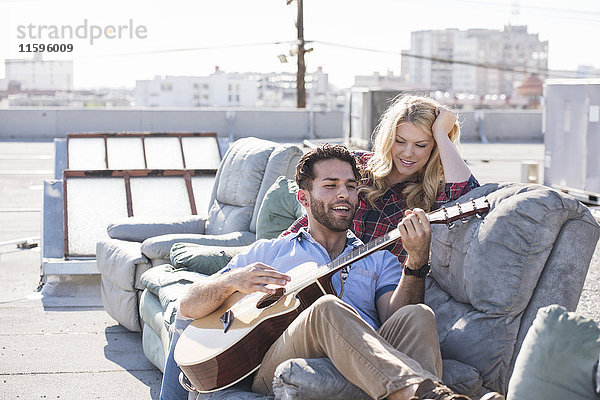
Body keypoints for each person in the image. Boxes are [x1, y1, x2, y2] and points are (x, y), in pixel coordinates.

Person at [159, 145, 502, 400]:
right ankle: (433, 396)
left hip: (364, 355)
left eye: (351, 186)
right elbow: (188, 307)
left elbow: (395, 318)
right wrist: (233, 281)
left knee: (420, 315)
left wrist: (416, 261)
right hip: (270, 359)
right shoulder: (271, 251)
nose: (344, 193)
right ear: (303, 198)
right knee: (324, 308)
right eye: (330, 184)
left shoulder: (377, 258)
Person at [283, 95, 479, 260]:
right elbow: (314, 213)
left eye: (421, 145)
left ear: (434, 147)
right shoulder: (358, 164)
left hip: (375, 290)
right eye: (400, 141)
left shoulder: (435, 192)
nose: (408, 153)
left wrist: (442, 134)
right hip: (314, 267)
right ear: (388, 138)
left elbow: (470, 199)